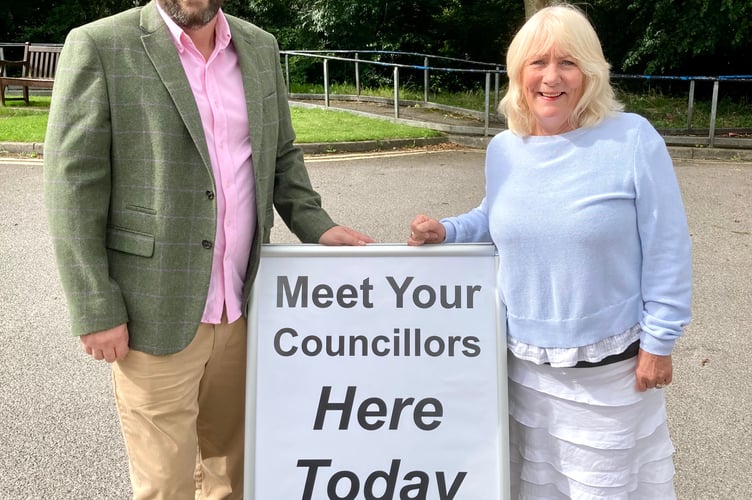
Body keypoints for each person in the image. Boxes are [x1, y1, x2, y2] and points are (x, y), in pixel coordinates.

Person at [43, 0, 374, 498]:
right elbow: (72, 186)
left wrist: (317, 226)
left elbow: (281, 152)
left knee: (234, 476)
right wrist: (94, 305)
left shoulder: (260, 47)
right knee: (165, 486)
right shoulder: (100, 45)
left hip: (243, 310)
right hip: (152, 314)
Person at [408, 4, 691, 499]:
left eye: (568, 63)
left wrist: (659, 343)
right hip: (523, 368)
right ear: (519, 72)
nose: (551, 78)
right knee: (537, 487)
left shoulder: (632, 139)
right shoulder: (505, 149)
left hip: (612, 372)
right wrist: (446, 231)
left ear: (591, 73)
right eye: (538, 63)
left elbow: (667, 246)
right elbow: (496, 216)